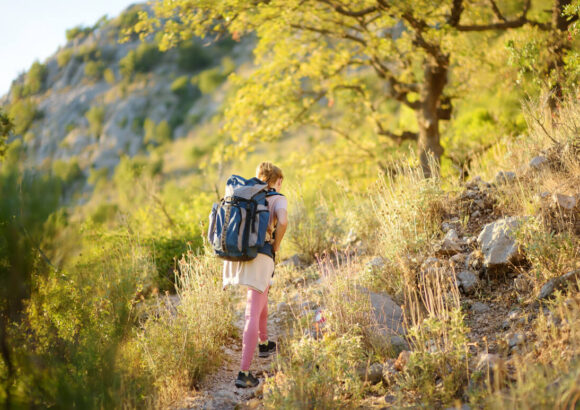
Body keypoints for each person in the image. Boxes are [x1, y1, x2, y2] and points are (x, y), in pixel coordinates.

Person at [222, 162, 288, 388]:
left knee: (262, 298)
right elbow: (284, 221)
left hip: (240, 255)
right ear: (277, 180)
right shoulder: (278, 198)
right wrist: (276, 245)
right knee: (252, 311)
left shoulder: (248, 195)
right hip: (261, 257)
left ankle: (264, 344)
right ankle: (244, 373)